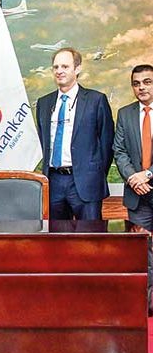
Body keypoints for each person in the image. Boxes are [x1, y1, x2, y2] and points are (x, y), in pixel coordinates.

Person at [36, 47, 114, 220]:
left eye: (65, 66)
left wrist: (94, 174)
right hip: (53, 182)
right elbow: (43, 140)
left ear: (77, 69)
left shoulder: (96, 100)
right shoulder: (44, 103)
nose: (59, 71)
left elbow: (107, 144)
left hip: (87, 183)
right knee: (56, 235)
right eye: (56, 67)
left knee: (90, 235)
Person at [113, 64, 153, 314]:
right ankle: (147, 306)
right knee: (142, 252)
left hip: (146, 180)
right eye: (136, 83)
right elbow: (119, 151)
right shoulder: (125, 114)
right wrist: (133, 179)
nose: (141, 87)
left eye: (147, 82)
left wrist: (147, 175)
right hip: (137, 195)